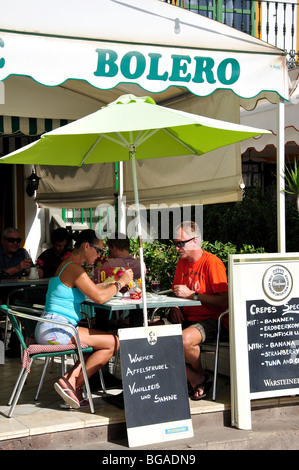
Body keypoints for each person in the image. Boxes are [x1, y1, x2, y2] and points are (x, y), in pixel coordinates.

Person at [34, 229, 133, 409]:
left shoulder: (69, 265)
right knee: (113, 342)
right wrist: (121, 282)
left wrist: (112, 283)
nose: (100, 254)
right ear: (87, 246)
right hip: (57, 329)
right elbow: (100, 297)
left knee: (95, 346)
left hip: (52, 326)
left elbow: (93, 288)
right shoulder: (73, 268)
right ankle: (73, 383)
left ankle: (73, 383)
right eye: (99, 250)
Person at [168, 221, 228, 401]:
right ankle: (195, 376)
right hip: (187, 318)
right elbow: (176, 292)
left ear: (195, 241)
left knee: (185, 340)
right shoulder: (182, 264)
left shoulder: (212, 263)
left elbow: (224, 300)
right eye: (175, 243)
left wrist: (194, 296)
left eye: (180, 243)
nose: (177, 248)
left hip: (213, 319)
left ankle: (198, 374)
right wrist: (175, 305)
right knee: (150, 334)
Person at [97, 233, 143, 328]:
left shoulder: (108, 263)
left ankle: (101, 332)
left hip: (109, 300)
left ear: (114, 247)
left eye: (109, 249)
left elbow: (100, 285)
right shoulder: (139, 264)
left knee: (100, 307)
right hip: (134, 302)